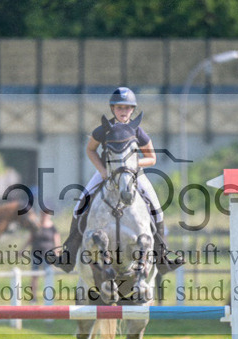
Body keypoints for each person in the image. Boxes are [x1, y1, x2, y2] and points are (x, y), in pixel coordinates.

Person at [55, 87, 181, 273]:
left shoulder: (138, 131)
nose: (123, 111)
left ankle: (162, 257)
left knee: (157, 209)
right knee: (79, 206)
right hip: (108, 172)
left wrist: (131, 164)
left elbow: (151, 157)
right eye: (120, 107)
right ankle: (68, 255)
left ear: (132, 110)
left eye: (127, 108)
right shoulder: (103, 130)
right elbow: (90, 150)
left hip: (134, 174)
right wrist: (102, 170)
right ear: (113, 108)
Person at [26, 211, 60, 302]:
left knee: (48, 275)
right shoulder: (37, 226)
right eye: (43, 214)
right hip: (36, 254)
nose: (44, 216)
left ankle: (49, 296)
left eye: (46, 214)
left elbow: (57, 241)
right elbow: (30, 239)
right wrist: (22, 249)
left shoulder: (52, 228)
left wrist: (56, 254)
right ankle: (33, 298)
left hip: (48, 255)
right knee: (34, 276)